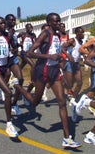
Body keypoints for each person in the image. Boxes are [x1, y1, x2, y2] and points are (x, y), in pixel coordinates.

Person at [12, 13, 81, 149]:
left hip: (54, 71)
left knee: (62, 102)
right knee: (34, 102)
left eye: (59, 21)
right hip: (42, 70)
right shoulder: (45, 33)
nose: (57, 23)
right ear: (49, 22)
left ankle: (67, 138)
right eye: (55, 22)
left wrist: (62, 56)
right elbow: (29, 53)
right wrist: (49, 56)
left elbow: (58, 49)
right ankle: (17, 87)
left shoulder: (57, 35)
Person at [61, 26, 85, 122]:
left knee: (80, 82)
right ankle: (60, 83)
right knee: (70, 85)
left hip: (76, 63)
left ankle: (73, 100)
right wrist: (68, 55)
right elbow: (62, 48)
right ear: (77, 33)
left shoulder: (81, 42)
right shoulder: (72, 40)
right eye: (81, 32)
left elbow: (80, 52)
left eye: (83, 32)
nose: (83, 34)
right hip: (69, 63)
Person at [18, 23, 36, 94]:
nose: (30, 29)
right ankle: (32, 82)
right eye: (28, 28)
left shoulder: (33, 35)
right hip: (24, 53)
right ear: (26, 28)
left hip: (29, 53)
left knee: (21, 65)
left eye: (31, 27)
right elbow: (13, 39)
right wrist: (19, 44)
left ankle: (13, 74)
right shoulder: (22, 34)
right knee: (33, 65)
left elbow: (35, 42)